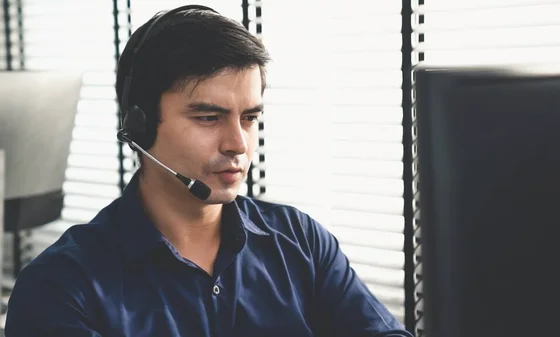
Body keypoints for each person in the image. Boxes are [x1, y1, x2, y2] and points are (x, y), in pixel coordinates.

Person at [5, 5, 412, 337]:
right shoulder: (62, 288)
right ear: (139, 125)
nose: (238, 143)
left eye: (250, 117)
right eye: (208, 117)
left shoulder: (300, 242)